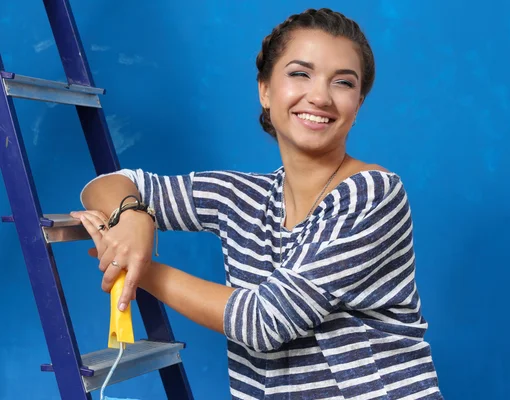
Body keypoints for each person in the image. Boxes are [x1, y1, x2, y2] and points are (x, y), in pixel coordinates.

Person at [71, 8, 443, 400]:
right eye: (300, 73)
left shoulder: (372, 193)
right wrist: (132, 216)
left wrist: (138, 265)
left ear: (359, 103)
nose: (319, 96)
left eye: (343, 83)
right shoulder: (241, 197)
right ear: (264, 89)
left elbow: (264, 321)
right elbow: (108, 185)